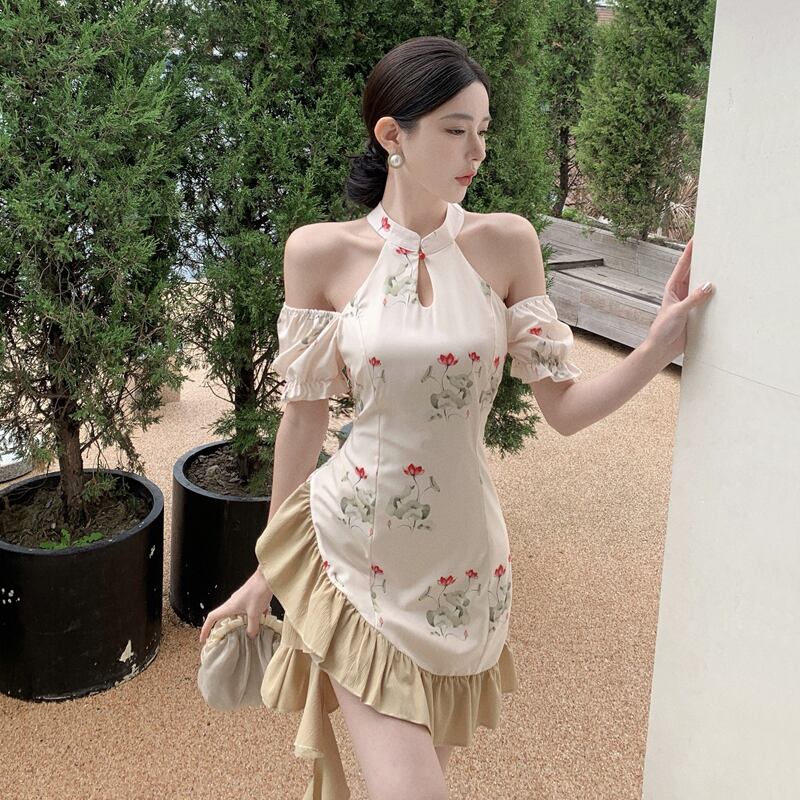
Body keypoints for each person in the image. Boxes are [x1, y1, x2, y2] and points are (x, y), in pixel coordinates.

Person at [198, 35, 714, 800]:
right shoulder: (319, 254)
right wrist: (266, 570)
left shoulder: (506, 243)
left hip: (467, 572)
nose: (477, 150)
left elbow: (564, 411)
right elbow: (302, 424)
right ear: (392, 135)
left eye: (483, 130)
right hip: (358, 558)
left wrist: (656, 346)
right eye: (454, 129)